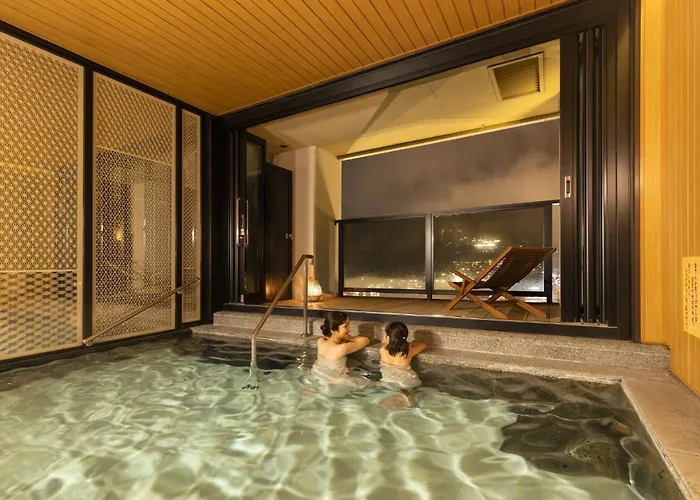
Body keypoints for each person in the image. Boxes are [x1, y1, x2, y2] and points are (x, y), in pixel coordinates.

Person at [310, 311, 370, 394]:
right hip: (336, 383)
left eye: (349, 324)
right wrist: (350, 338)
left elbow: (328, 338)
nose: (349, 328)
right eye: (345, 326)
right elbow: (365, 340)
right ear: (333, 330)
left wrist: (341, 336)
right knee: (370, 384)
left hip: (317, 376)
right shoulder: (343, 348)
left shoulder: (320, 342)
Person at [379, 322, 426, 390]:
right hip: (407, 382)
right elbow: (423, 345)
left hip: (388, 381)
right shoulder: (409, 351)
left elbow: (388, 345)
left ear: (387, 337)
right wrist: (409, 344)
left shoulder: (382, 350)